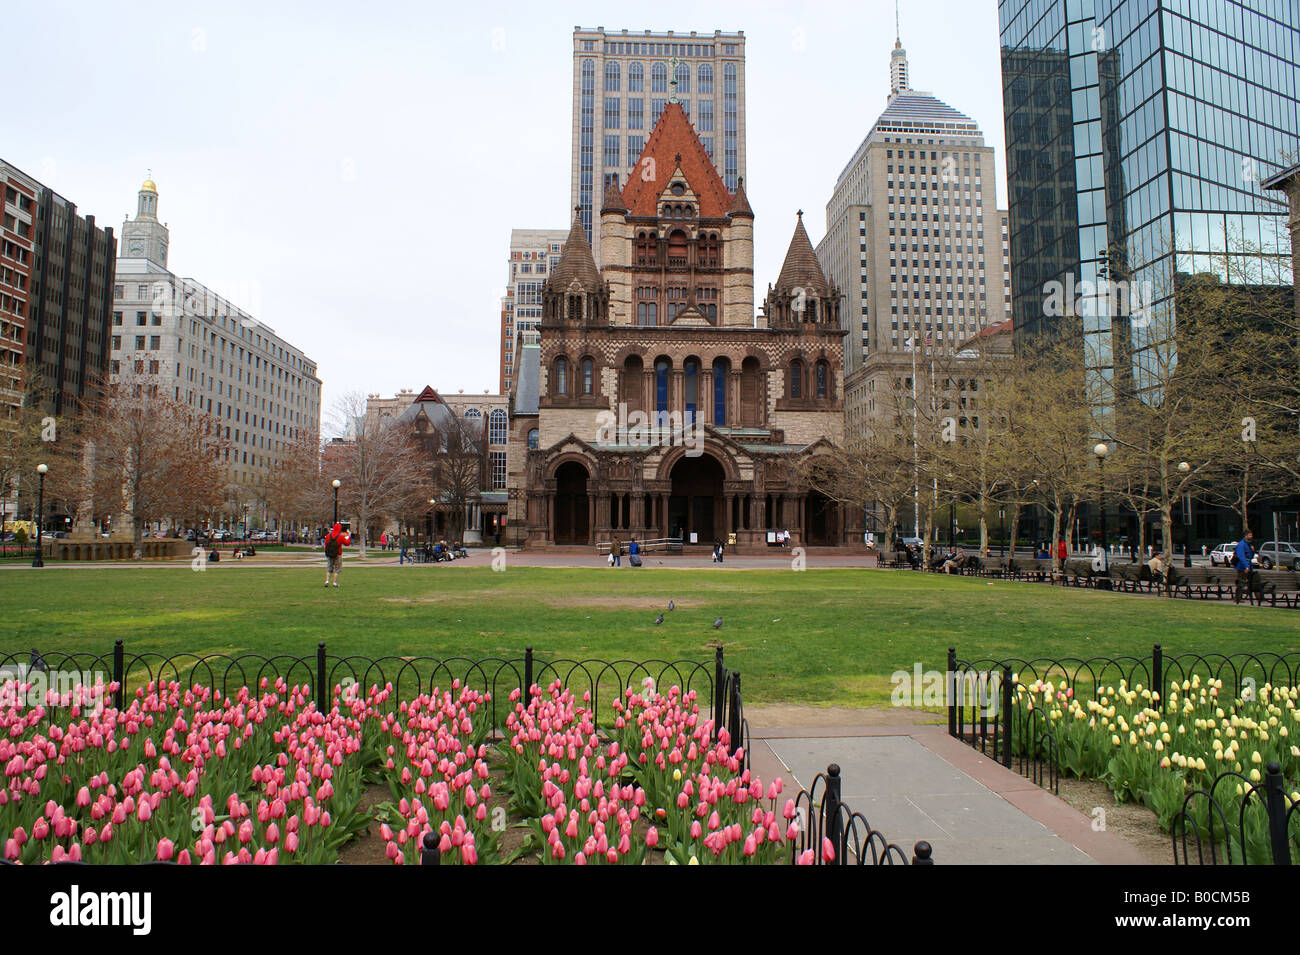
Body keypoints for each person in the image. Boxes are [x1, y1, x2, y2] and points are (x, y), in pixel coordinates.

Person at [1233, 531, 1258, 604]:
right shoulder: (1241, 544)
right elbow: (1241, 556)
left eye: (1251, 535)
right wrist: (1246, 567)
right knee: (1241, 582)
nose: (1251, 536)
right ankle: (1237, 598)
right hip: (1242, 567)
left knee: (1253, 581)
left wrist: (1253, 551)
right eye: (1250, 535)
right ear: (1245, 536)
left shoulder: (1248, 544)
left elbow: (1251, 556)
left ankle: (1259, 597)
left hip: (1249, 565)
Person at [323, 522, 350, 587]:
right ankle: (334, 582)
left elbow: (325, 544)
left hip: (329, 554)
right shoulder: (340, 536)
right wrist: (348, 536)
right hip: (338, 554)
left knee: (329, 567)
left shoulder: (328, 536)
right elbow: (347, 543)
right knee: (337, 568)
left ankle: (327, 581)